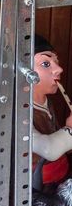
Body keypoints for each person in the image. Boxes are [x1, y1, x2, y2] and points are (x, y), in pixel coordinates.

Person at [32, 35, 72, 187]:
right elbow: (49, 150)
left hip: (61, 177)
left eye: (56, 61)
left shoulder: (46, 101)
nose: (59, 69)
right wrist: (70, 129)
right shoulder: (18, 110)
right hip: (36, 186)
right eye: (46, 64)